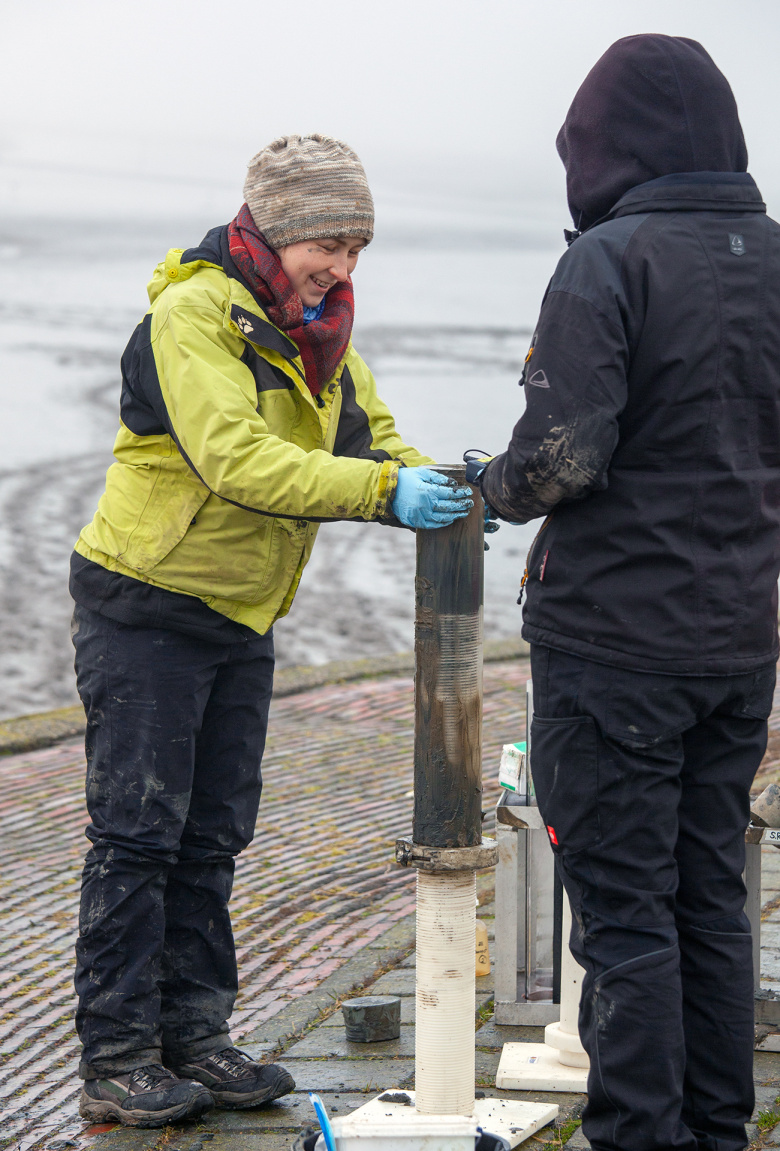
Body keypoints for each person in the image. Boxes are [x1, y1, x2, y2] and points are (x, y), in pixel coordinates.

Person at [69, 133, 472, 1129]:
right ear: (279, 226)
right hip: (146, 599)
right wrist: (385, 494)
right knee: (139, 833)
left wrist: (461, 493)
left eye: (357, 248)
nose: (342, 266)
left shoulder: (320, 333)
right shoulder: (192, 311)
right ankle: (117, 1054)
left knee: (213, 832)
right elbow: (236, 458)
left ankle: (196, 1033)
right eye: (329, 242)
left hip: (239, 611)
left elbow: (374, 440)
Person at [469, 36, 780, 1151]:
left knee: (625, 912)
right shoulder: (773, 253)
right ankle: (717, 1127)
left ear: (603, 149)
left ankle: (641, 1134)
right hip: (738, 640)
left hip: (615, 645)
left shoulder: (608, 260)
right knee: (711, 894)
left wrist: (490, 487)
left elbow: (561, 456)